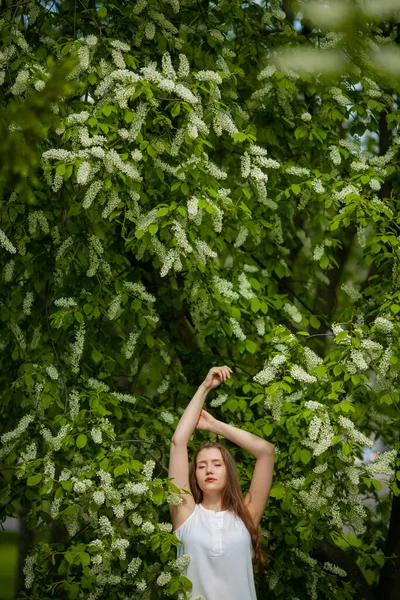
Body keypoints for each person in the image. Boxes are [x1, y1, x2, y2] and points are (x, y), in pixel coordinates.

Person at [168, 365, 275, 600]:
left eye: (217, 464)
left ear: (229, 473)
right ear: (193, 475)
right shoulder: (184, 514)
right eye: (201, 465)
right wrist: (205, 387)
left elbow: (266, 452)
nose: (208, 469)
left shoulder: (247, 515)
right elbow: (178, 442)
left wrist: (214, 425)